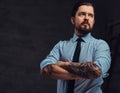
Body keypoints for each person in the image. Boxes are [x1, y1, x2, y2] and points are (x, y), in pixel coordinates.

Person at [40, 1, 111, 93]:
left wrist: (63, 64)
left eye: (90, 15)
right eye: (82, 14)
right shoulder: (61, 46)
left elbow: (96, 71)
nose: (86, 18)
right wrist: (85, 74)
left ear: (93, 21)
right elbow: (46, 69)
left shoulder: (101, 45)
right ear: (73, 20)